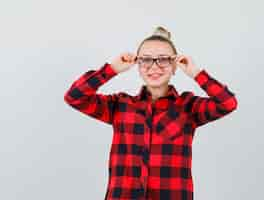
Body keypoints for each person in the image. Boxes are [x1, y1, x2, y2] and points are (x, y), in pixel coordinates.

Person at [64, 26, 238, 200]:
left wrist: (196, 73)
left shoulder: (189, 107)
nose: (154, 66)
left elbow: (227, 103)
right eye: (146, 60)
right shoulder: (120, 105)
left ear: (175, 65)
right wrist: (111, 69)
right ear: (138, 65)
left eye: (163, 59)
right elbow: (74, 97)